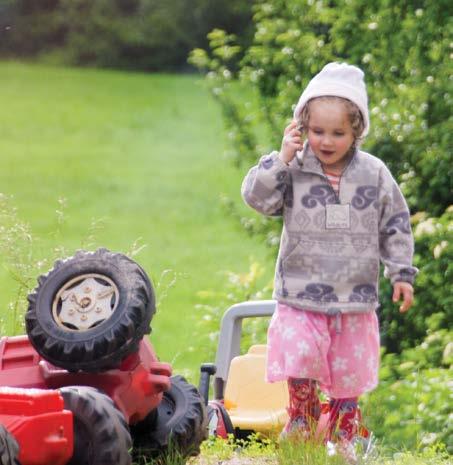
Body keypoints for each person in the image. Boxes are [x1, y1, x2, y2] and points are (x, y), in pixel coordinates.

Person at [241, 62, 417, 461]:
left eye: (338, 132)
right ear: (302, 126)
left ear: (357, 130)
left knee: (348, 369)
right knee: (299, 350)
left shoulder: (374, 174)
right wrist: (279, 158)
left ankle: (344, 433)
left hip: (354, 296)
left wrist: (401, 272)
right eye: (317, 131)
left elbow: (395, 222)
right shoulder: (295, 167)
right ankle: (301, 417)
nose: (326, 140)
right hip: (300, 292)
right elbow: (258, 199)